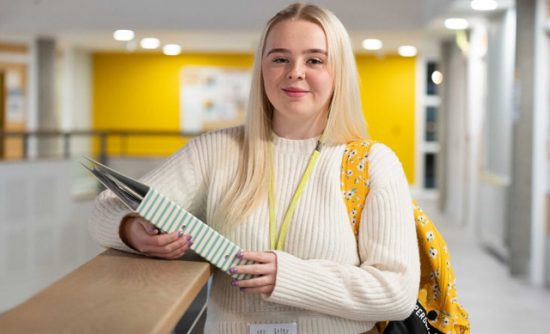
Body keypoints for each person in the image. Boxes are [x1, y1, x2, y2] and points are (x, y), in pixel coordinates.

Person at [89, 3, 420, 333]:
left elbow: (397, 292)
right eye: (280, 58)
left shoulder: (373, 163)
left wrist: (290, 277)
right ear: (262, 68)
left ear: (339, 72)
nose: (295, 72)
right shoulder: (217, 151)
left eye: (314, 60)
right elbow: (103, 210)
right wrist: (132, 231)